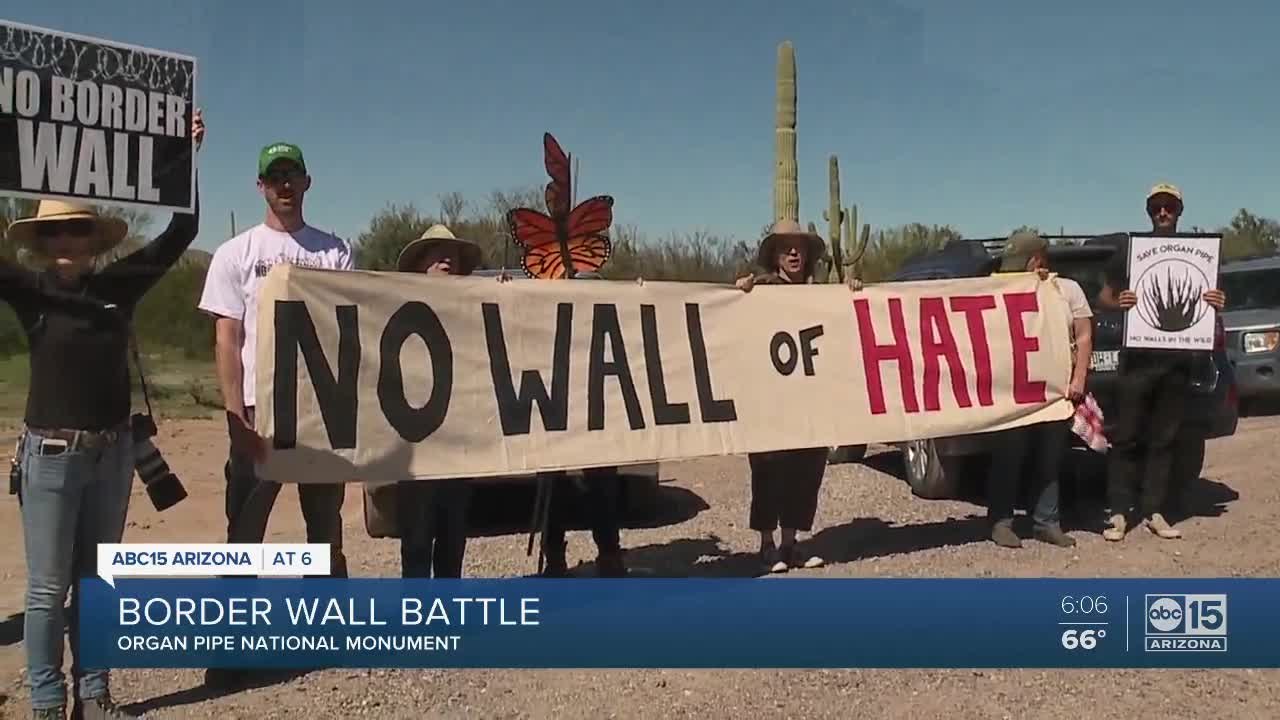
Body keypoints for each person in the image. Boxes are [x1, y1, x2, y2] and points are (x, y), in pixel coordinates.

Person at [3, 112, 204, 720]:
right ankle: (45, 702)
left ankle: (94, 696)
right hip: (51, 456)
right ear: (42, 244)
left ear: (95, 240)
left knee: (97, 583)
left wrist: (184, 155)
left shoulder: (121, 285)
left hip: (113, 454)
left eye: (78, 230)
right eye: (56, 233)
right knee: (47, 589)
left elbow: (183, 228)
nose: (67, 241)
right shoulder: (30, 291)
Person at [197, 142, 353, 687]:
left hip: (320, 411)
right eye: (274, 176)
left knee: (325, 526)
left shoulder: (335, 250)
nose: (284, 184)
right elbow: (228, 336)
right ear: (260, 186)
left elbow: (350, 327)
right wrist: (233, 411)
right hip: (259, 410)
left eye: (292, 175)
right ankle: (231, 648)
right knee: (244, 531)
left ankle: (328, 634)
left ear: (308, 182)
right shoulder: (234, 253)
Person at [1096, 183, 1226, 541]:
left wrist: (1217, 302)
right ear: (1149, 212)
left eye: (1169, 206)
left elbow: (1210, 299)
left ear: (1179, 211)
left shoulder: (1200, 254)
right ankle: (1119, 512)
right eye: (1157, 207)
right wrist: (1119, 302)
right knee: (1126, 438)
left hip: (1177, 363)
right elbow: (1103, 297)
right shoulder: (1129, 251)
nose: (1163, 212)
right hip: (1136, 362)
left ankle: (1154, 510)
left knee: (1164, 439)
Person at [735, 219, 837, 573]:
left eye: (799, 248)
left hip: (808, 397)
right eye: (786, 248)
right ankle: (766, 544)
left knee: (806, 467)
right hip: (769, 397)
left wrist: (854, 291)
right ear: (775, 255)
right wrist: (738, 292)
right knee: (768, 468)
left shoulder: (820, 295)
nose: (794, 253)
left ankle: (790, 544)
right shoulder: (759, 290)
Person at [984, 230, 1091, 549]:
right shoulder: (998, 288)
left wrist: (1079, 378)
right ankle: (1000, 522)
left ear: (1037, 260)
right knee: (1008, 455)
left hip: (1054, 390)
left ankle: (1047, 522)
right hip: (1013, 390)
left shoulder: (1066, 290)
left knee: (1049, 457)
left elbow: (1084, 334)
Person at [391, 225, 478, 577]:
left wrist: (506, 293)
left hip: (459, 446)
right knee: (416, 540)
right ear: (419, 264)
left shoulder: (474, 306)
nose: (446, 258)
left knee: (453, 537)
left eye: (452, 253)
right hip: (416, 449)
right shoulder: (394, 305)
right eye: (436, 251)